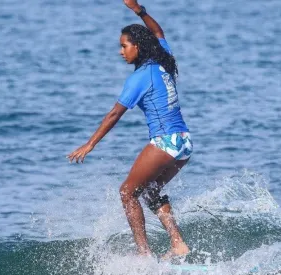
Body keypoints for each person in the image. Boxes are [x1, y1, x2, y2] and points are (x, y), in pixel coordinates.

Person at [67, 0, 192, 259]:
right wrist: (139, 11)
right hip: (184, 143)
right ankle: (178, 243)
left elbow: (115, 113)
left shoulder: (140, 77)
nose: (120, 52)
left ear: (137, 46)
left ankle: (144, 256)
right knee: (149, 190)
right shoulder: (163, 62)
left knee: (127, 193)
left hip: (165, 142)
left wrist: (90, 144)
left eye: (124, 46)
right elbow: (158, 33)